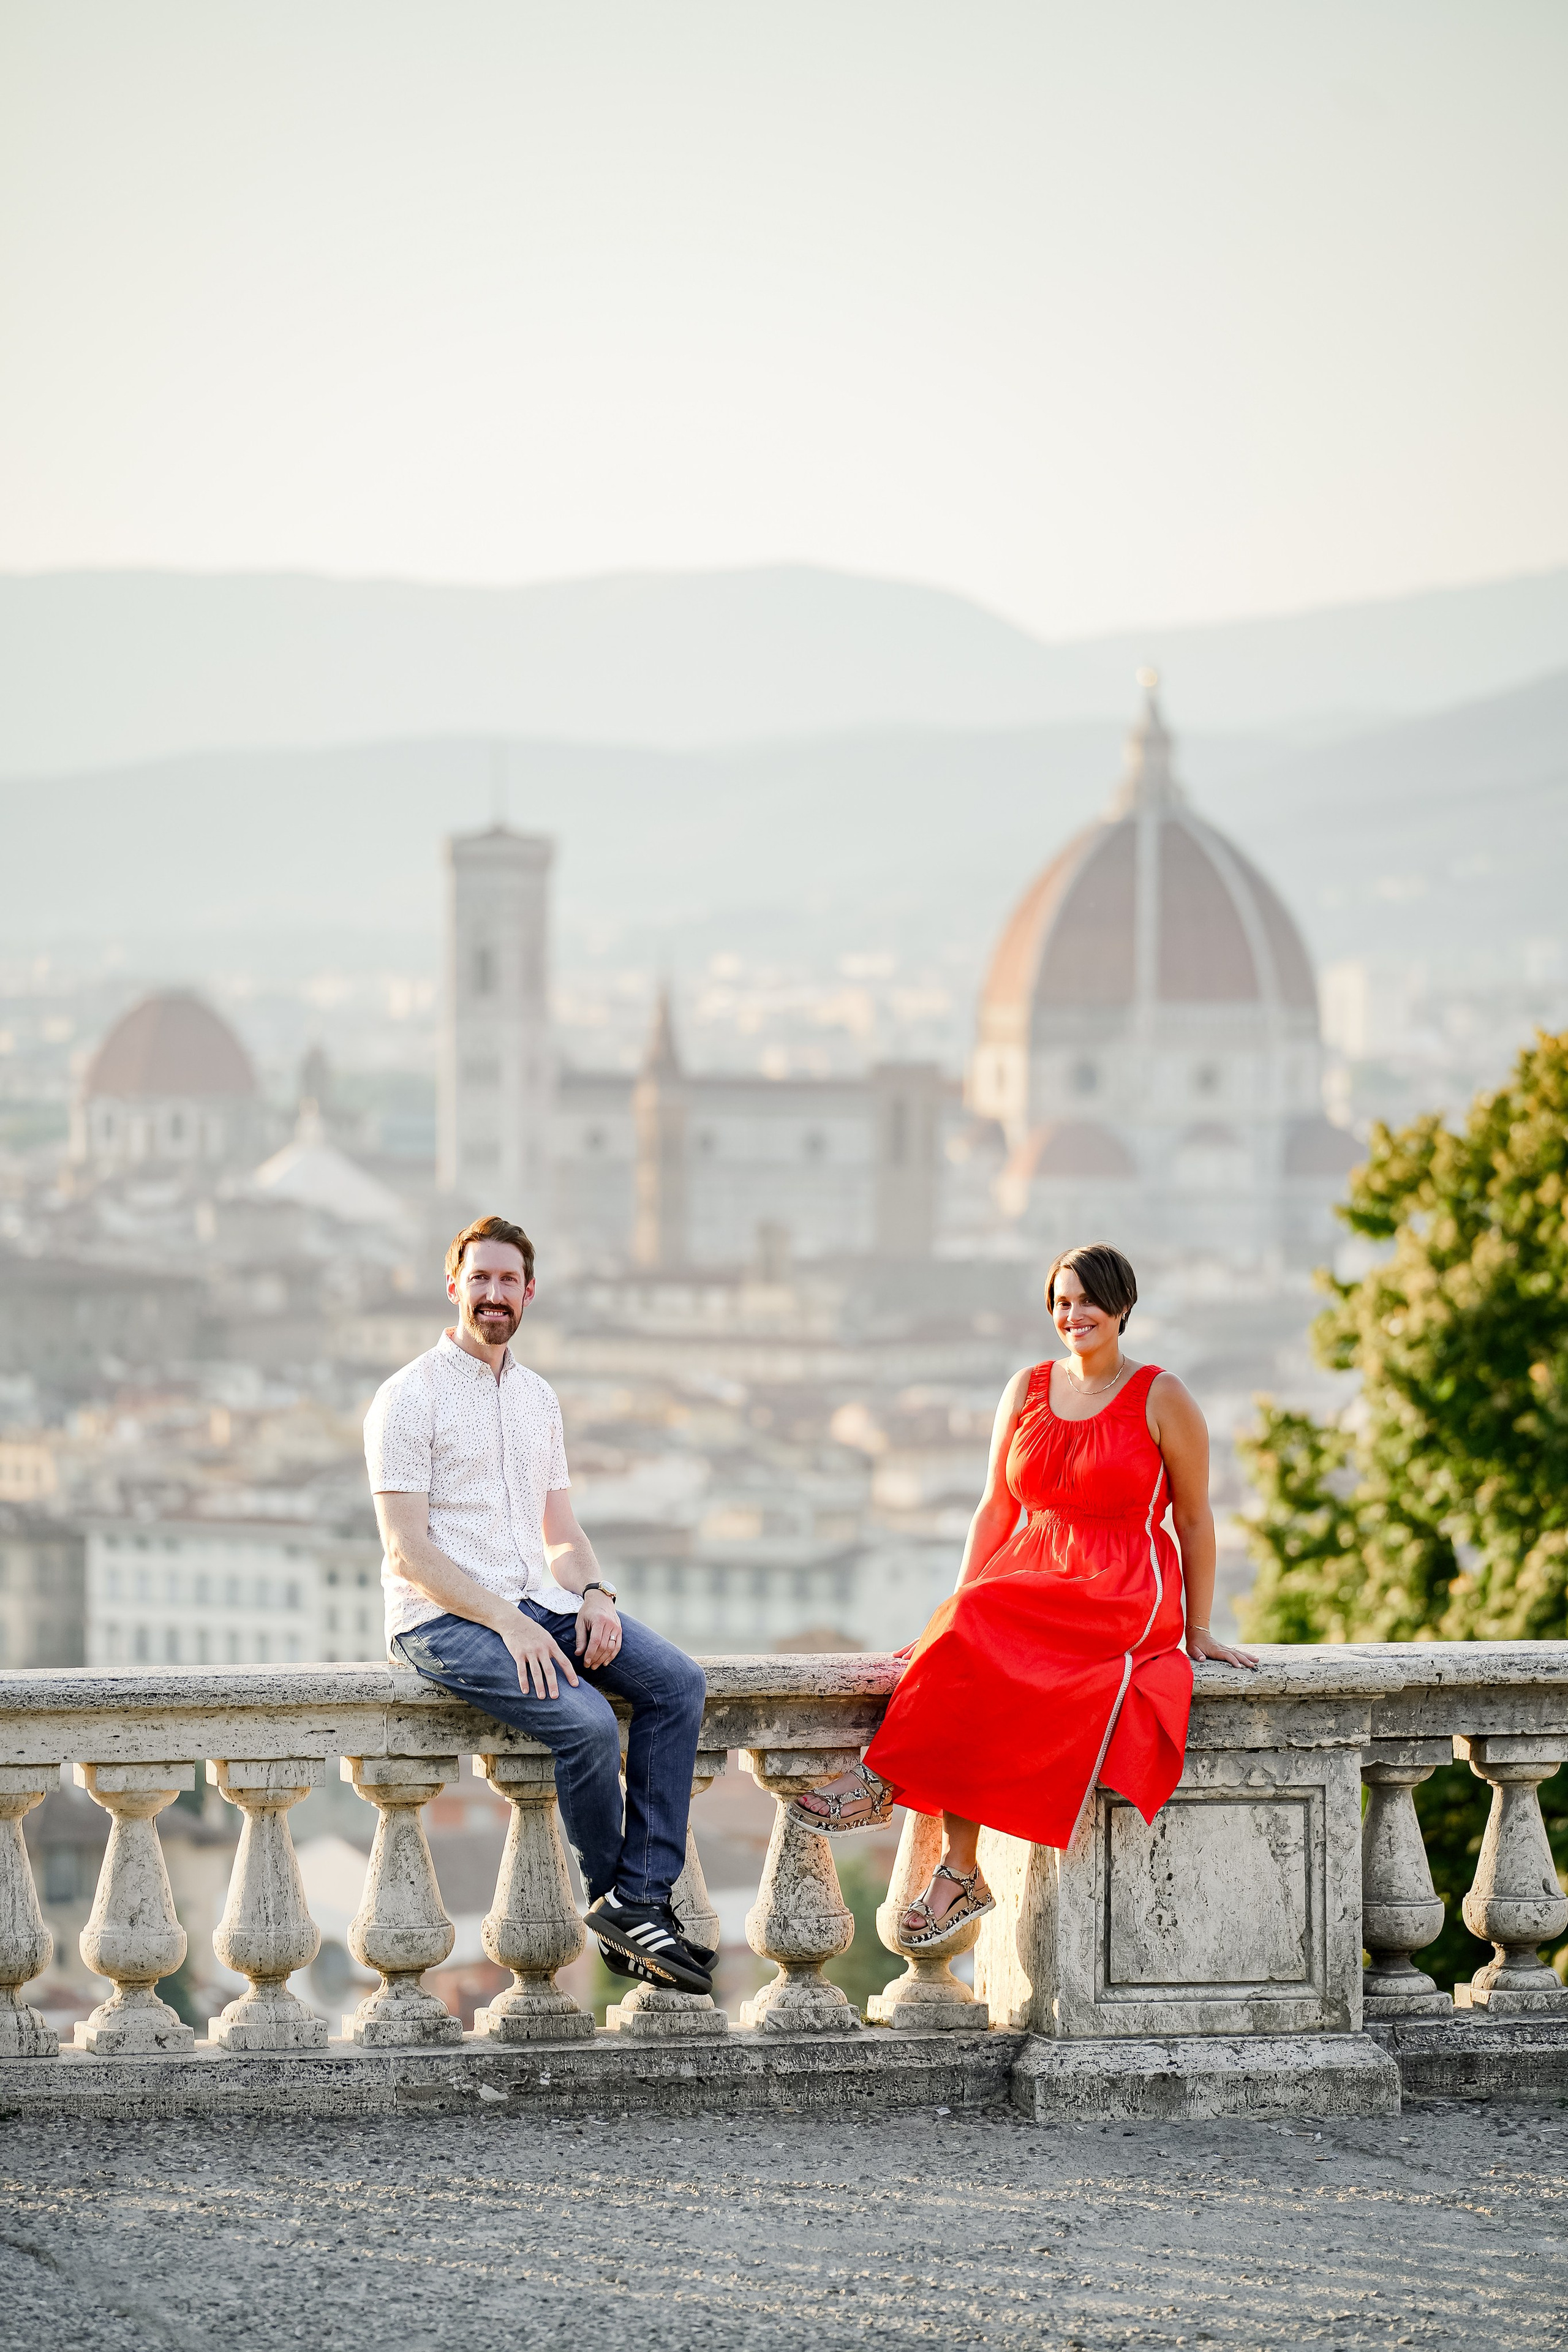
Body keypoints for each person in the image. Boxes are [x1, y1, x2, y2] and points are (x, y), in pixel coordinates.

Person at [791, 1240, 1257, 1949]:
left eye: (1088, 1300)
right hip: (1030, 1573)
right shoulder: (1026, 1388)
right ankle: (959, 1870)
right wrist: (952, 1616)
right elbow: (994, 1508)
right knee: (968, 1650)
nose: (1074, 1315)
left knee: (980, 1628)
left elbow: (1194, 1518)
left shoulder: (1163, 1396)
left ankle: (881, 1779)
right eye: (1061, 1303)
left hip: (1122, 1586)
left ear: (1122, 1306)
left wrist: (1198, 1631)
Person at [363, 1212, 712, 1995]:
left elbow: (561, 1531)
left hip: (537, 1602)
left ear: (529, 1293)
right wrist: (508, 1621)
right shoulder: (406, 1397)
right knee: (587, 1723)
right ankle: (616, 1902)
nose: (493, 1294)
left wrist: (593, 1593)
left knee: (677, 1683)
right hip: (442, 1620)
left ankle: (640, 1900)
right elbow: (407, 1551)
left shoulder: (537, 1398)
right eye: (479, 1279)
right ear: (453, 1287)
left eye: (508, 1280)